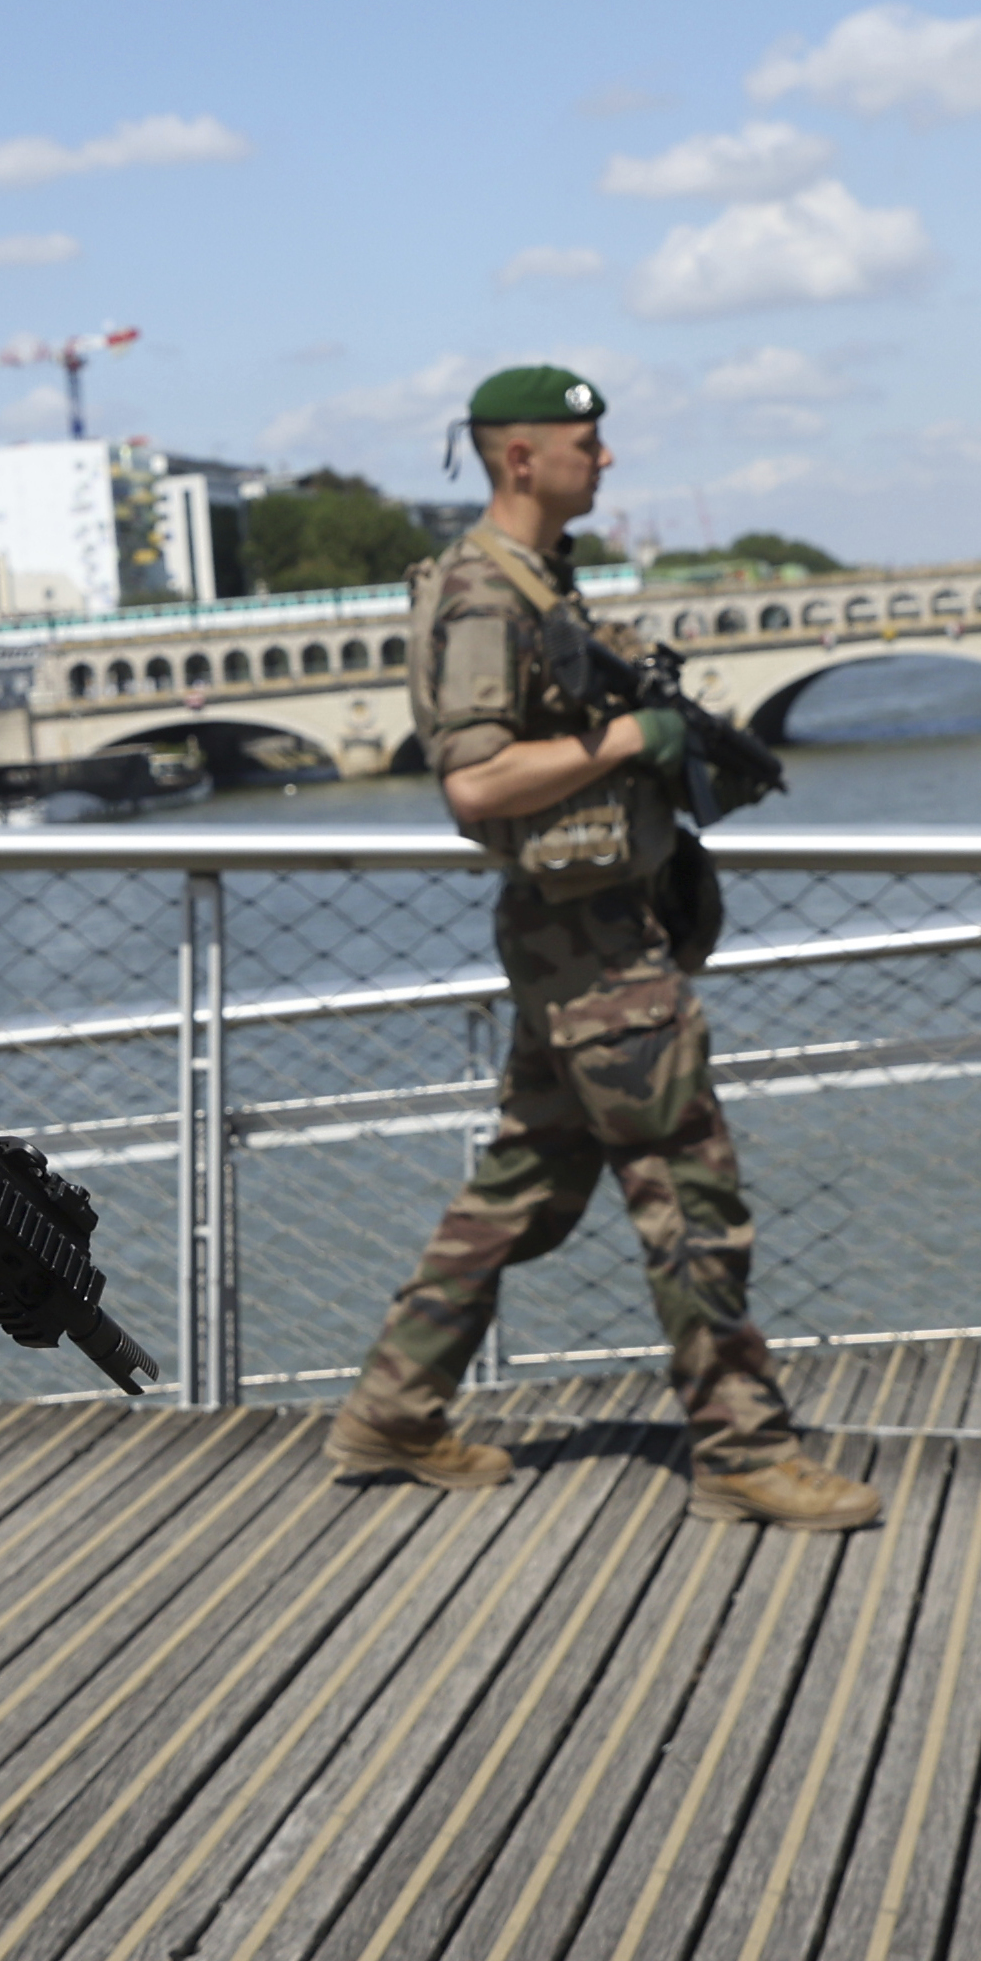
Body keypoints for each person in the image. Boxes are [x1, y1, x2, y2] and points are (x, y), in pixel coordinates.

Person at [323, 365, 881, 1532]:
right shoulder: (488, 595)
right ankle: (742, 1448)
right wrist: (630, 735)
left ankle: (395, 1406)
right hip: (592, 949)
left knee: (523, 1185)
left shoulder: (536, 582)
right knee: (688, 1186)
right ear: (522, 457)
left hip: (578, 935)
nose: (607, 458)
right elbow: (475, 782)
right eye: (588, 440)